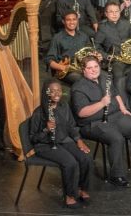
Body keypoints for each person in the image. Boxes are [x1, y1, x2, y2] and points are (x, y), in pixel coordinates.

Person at [71, 55, 131, 187]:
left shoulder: (104, 76)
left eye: (96, 66)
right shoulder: (78, 88)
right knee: (116, 138)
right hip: (93, 123)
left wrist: (123, 108)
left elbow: (115, 93)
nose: (94, 70)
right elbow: (81, 113)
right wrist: (101, 103)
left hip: (114, 115)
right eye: (89, 68)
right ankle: (116, 176)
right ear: (83, 70)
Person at [28, 79, 92, 208]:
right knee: (70, 163)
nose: (57, 93)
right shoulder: (39, 113)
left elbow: (71, 126)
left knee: (85, 158)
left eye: (59, 90)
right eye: (53, 91)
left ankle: (81, 188)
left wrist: (78, 140)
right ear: (47, 93)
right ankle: (69, 195)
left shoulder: (64, 106)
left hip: (62, 140)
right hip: (45, 145)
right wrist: (46, 129)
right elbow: (33, 138)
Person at [93, 0, 131, 96]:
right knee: (118, 76)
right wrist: (107, 56)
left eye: (116, 11)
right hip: (115, 60)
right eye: (111, 12)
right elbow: (96, 46)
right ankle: (122, 101)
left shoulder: (127, 24)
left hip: (130, 58)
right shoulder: (102, 28)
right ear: (106, 14)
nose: (114, 14)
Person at [46, 12, 90, 85]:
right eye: (68, 20)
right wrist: (62, 67)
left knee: (103, 76)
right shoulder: (57, 38)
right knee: (82, 80)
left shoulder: (84, 36)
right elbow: (49, 59)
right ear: (63, 21)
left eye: (74, 19)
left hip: (82, 68)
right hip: (66, 71)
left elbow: (89, 52)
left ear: (77, 21)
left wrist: (95, 56)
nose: (72, 22)